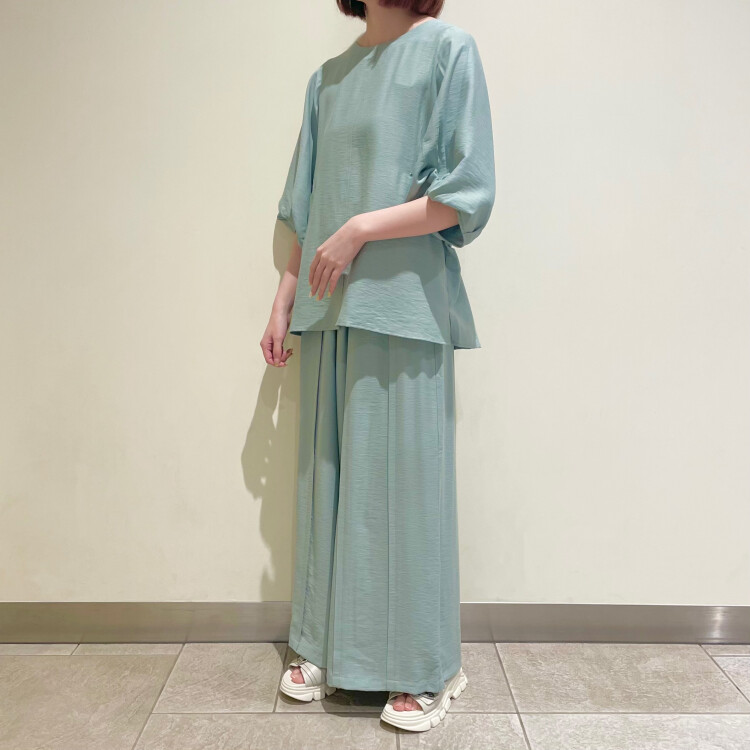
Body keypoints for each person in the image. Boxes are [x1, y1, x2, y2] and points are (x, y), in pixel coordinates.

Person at [261, 0, 495, 733]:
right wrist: (282, 302)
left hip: (405, 304)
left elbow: (464, 193)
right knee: (328, 483)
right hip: (328, 305)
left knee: (406, 493)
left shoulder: (449, 51)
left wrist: (361, 227)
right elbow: (305, 207)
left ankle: (427, 667)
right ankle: (325, 645)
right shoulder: (328, 79)